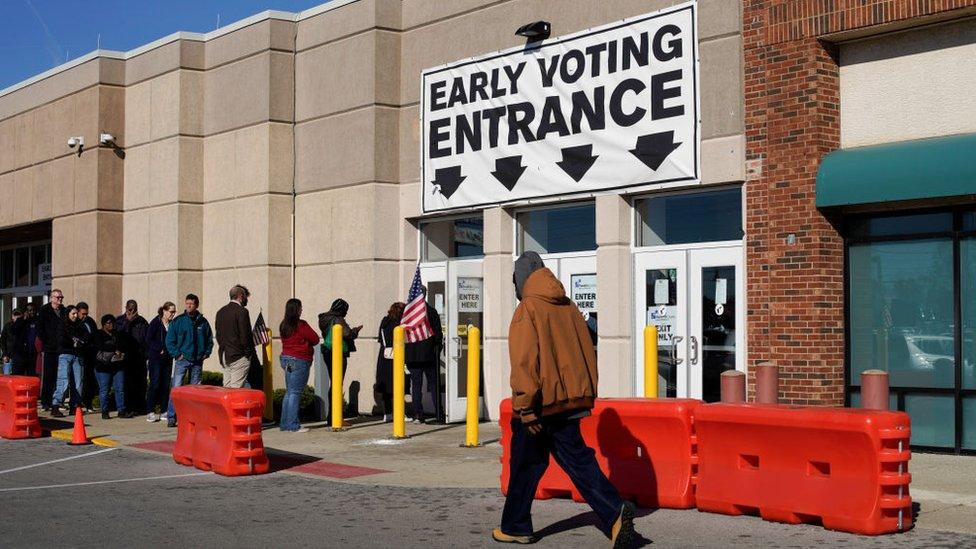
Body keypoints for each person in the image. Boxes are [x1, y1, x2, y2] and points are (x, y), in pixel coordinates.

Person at [495, 252, 636, 547]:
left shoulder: (527, 309)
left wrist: (524, 407)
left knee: (524, 465)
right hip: (570, 403)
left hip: (539, 406)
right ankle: (615, 513)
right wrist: (585, 394)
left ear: (521, 279)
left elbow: (524, 362)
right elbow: (586, 350)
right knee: (578, 461)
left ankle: (516, 526)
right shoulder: (569, 307)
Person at [164, 294, 213, 428]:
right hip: (182, 359)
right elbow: (169, 340)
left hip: (197, 360)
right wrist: (177, 355)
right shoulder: (178, 321)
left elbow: (209, 339)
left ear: (196, 305)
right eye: (187, 303)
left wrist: (206, 353)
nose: (188, 306)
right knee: (176, 389)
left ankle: (192, 417)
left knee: (195, 391)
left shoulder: (203, 322)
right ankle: (172, 416)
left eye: (191, 303)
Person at [278, 298, 319, 433]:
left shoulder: (284, 325)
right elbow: (315, 339)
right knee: (295, 393)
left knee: (289, 392)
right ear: (296, 309)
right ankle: (293, 425)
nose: (302, 309)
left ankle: (285, 424)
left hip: (286, 359)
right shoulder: (301, 325)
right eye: (300, 307)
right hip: (299, 360)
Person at [318, 298, 361, 423]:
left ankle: (332, 417)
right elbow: (348, 334)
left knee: (334, 383)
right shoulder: (338, 319)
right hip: (338, 354)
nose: (346, 313)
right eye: (345, 310)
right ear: (341, 310)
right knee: (337, 384)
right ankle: (335, 417)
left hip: (327, 352)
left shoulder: (323, 318)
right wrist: (355, 331)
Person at [405, 286, 443, 423]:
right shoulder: (431, 311)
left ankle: (418, 414)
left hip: (414, 356)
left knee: (416, 386)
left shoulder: (407, 314)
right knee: (433, 385)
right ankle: (439, 414)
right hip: (428, 354)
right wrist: (436, 350)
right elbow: (438, 335)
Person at [215, 285, 257, 388]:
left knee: (227, 388)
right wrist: (248, 353)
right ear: (241, 296)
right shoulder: (242, 311)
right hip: (239, 355)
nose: (247, 299)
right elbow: (245, 335)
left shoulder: (221, 312)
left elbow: (218, 335)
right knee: (236, 389)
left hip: (225, 354)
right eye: (246, 296)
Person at [51, 305, 88, 417]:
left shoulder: (80, 326)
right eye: (73, 313)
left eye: (76, 313)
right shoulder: (62, 325)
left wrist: (80, 342)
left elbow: (86, 337)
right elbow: (60, 339)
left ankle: (75, 406)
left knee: (78, 382)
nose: (75, 316)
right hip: (65, 355)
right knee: (63, 380)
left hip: (77, 355)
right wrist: (72, 342)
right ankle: (56, 405)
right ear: (68, 314)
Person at [91, 315, 130, 419]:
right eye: (109, 323)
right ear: (103, 325)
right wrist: (114, 349)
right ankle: (105, 411)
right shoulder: (98, 334)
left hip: (117, 365)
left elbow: (123, 345)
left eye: (113, 322)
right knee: (104, 389)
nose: (111, 325)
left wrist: (120, 351)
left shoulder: (117, 334)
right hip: (103, 367)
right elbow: (100, 346)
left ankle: (121, 410)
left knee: (120, 388)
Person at [116, 300, 149, 415]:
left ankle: (139, 407)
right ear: (126, 308)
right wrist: (127, 322)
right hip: (126, 358)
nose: (132, 311)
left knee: (140, 384)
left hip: (139, 358)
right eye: (129, 309)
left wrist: (146, 355)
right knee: (127, 383)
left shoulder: (142, 321)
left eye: (134, 309)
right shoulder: (120, 321)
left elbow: (147, 339)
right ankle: (127, 407)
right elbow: (118, 335)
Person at [145, 302, 176, 422]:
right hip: (156, 358)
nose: (172, 314)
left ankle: (164, 410)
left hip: (168, 358)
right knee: (155, 384)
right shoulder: (155, 322)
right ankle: (150, 411)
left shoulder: (172, 324)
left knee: (165, 384)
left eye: (174, 312)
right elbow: (148, 339)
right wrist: (159, 348)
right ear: (164, 311)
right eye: (171, 312)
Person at [375, 302, 405, 422]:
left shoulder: (384, 322)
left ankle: (387, 413)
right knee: (398, 385)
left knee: (387, 387)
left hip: (384, 356)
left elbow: (380, 339)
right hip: (396, 356)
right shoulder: (398, 324)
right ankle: (399, 413)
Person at [37, 289, 66, 409]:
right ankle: (46, 401)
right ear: (52, 298)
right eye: (58, 297)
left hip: (61, 348)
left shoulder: (64, 310)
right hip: (49, 348)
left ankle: (58, 400)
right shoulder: (44, 310)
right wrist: (48, 342)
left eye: (61, 297)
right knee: (49, 375)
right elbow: (40, 329)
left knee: (61, 376)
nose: (60, 299)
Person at [76, 302, 99, 412]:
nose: (85, 316)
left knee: (90, 379)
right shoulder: (76, 323)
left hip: (91, 354)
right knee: (81, 379)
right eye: (83, 314)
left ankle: (89, 402)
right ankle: (80, 402)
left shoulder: (90, 321)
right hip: (81, 354)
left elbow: (95, 334)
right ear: (78, 312)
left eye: (86, 313)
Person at [0, 308, 23, 375]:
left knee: (18, 377)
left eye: (18, 314)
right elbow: (2, 341)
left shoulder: (23, 326)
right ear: (12, 316)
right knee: (7, 376)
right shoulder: (7, 326)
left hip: (19, 357)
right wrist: (4, 354)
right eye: (15, 314)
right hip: (8, 356)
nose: (17, 316)